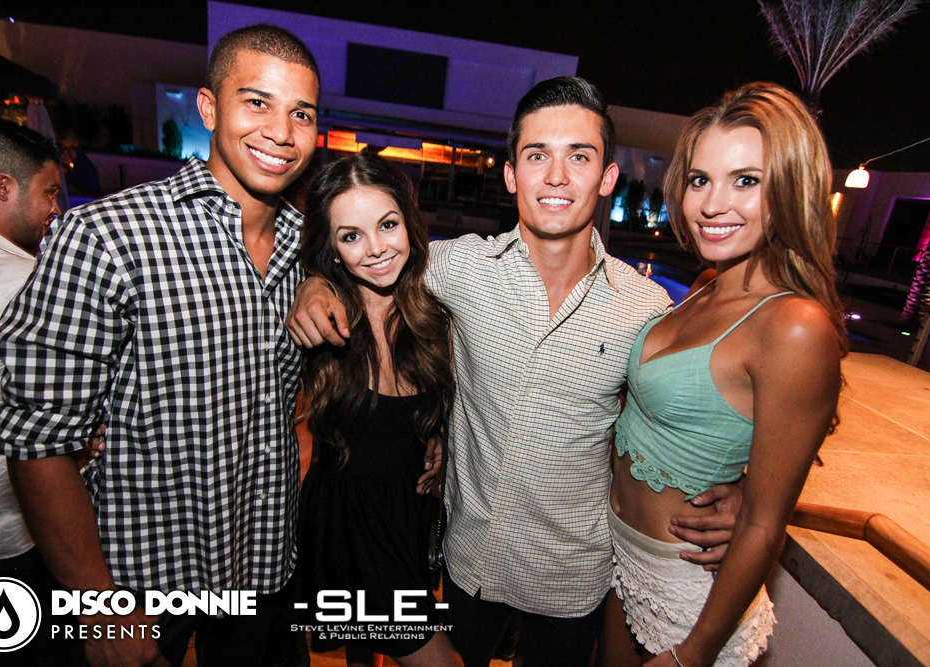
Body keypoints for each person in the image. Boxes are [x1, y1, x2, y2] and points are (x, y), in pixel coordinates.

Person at [286, 76, 742, 667]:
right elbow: (364, 254)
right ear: (511, 175)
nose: (556, 177)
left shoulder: (646, 307)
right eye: (537, 156)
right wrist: (313, 282)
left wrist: (743, 488)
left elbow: (696, 406)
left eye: (579, 156)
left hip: (572, 575)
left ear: (607, 177)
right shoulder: (456, 267)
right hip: (470, 560)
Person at [0, 24, 320, 667]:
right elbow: (38, 441)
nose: (281, 132)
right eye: (257, 102)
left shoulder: (311, 247)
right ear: (209, 108)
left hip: (264, 569)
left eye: (301, 113)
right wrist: (97, 606)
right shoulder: (107, 236)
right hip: (141, 582)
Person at [598, 82, 846, 667]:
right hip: (621, 555)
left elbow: (764, 523)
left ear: (791, 188)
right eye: (700, 179)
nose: (713, 205)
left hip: (687, 594)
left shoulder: (795, 326)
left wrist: (694, 654)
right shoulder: (707, 286)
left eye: (746, 181)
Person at [295, 153, 460, 666]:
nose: (376, 248)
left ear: (409, 223)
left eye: (388, 225)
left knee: (367, 653)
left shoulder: (434, 312)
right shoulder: (321, 317)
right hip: (350, 525)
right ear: (332, 249)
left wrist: (440, 435)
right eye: (351, 236)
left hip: (408, 514)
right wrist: (310, 282)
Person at [0, 118, 79, 665]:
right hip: (33, 531)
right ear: (3, 187)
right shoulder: (16, 282)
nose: (57, 208)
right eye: (49, 192)